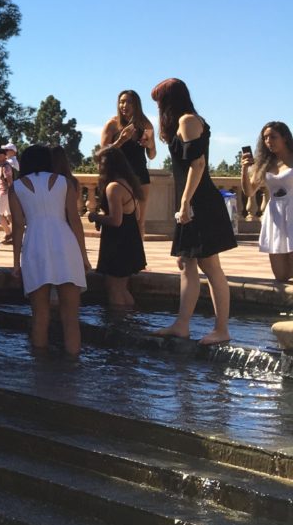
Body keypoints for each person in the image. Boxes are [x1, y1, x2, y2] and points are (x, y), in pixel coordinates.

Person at [149, 78, 237, 345]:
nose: (159, 107)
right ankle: (182, 324)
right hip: (191, 202)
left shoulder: (188, 120)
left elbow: (197, 164)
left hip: (201, 202)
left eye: (160, 101)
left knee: (210, 266)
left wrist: (186, 202)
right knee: (187, 264)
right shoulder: (181, 123)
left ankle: (221, 329)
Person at [9, 144, 91, 357]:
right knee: (71, 317)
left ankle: (40, 367)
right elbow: (75, 221)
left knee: (40, 315)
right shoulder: (64, 182)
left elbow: (17, 226)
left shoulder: (16, 187)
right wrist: (83, 256)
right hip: (65, 243)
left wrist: (16, 263)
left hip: (35, 244)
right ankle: (73, 365)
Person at [90, 147, 147, 308]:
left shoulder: (113, 187)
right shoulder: (130, 184)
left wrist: (95, 217)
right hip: (130, 240)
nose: (98, 167)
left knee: (114, 288)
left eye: (100, 163)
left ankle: (118, 321)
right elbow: (136, 215)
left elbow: (116, 220)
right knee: (122, 288)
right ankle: (130, 318)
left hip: (118, 244)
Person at [240, 121, 293, 283]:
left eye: (273, 137)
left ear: (285, 138)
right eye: (265, 138)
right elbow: (249, 191)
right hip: (275, 217)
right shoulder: (265, 164)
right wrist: (244, 169)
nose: (268, 141)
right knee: (281, 276)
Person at [100, 90, 157, 238]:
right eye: (121, 102)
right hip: (118, 177)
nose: (124, 105)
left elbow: (152, 155)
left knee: (140, 221)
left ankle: (137, 252)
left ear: (136, 105)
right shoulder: (112, 125)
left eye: (129, 102)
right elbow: (102, 154)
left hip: (140, 176)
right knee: (118, 220)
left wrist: (150, 145)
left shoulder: (145, 124)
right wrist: (121, 141)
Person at [0, 146, 15, 246]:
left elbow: (9, 180)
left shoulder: (5, 166)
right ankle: (11, 235)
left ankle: (9, 234)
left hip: (4, 193)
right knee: (8, 215)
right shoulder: (2, 166)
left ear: (4, 156)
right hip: (4, 193)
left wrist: (11, 193)